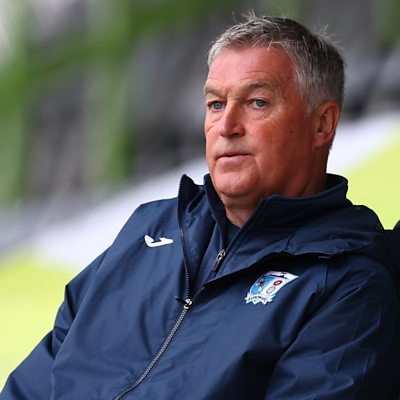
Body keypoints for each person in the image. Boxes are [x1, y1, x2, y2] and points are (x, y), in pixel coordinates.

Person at [2, 12, 400, 400]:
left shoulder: (349, 280)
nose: (226, 126)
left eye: (257, 102)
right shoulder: (150, 228)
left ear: (322, 124)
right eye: (215, 104)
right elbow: (36, 380)